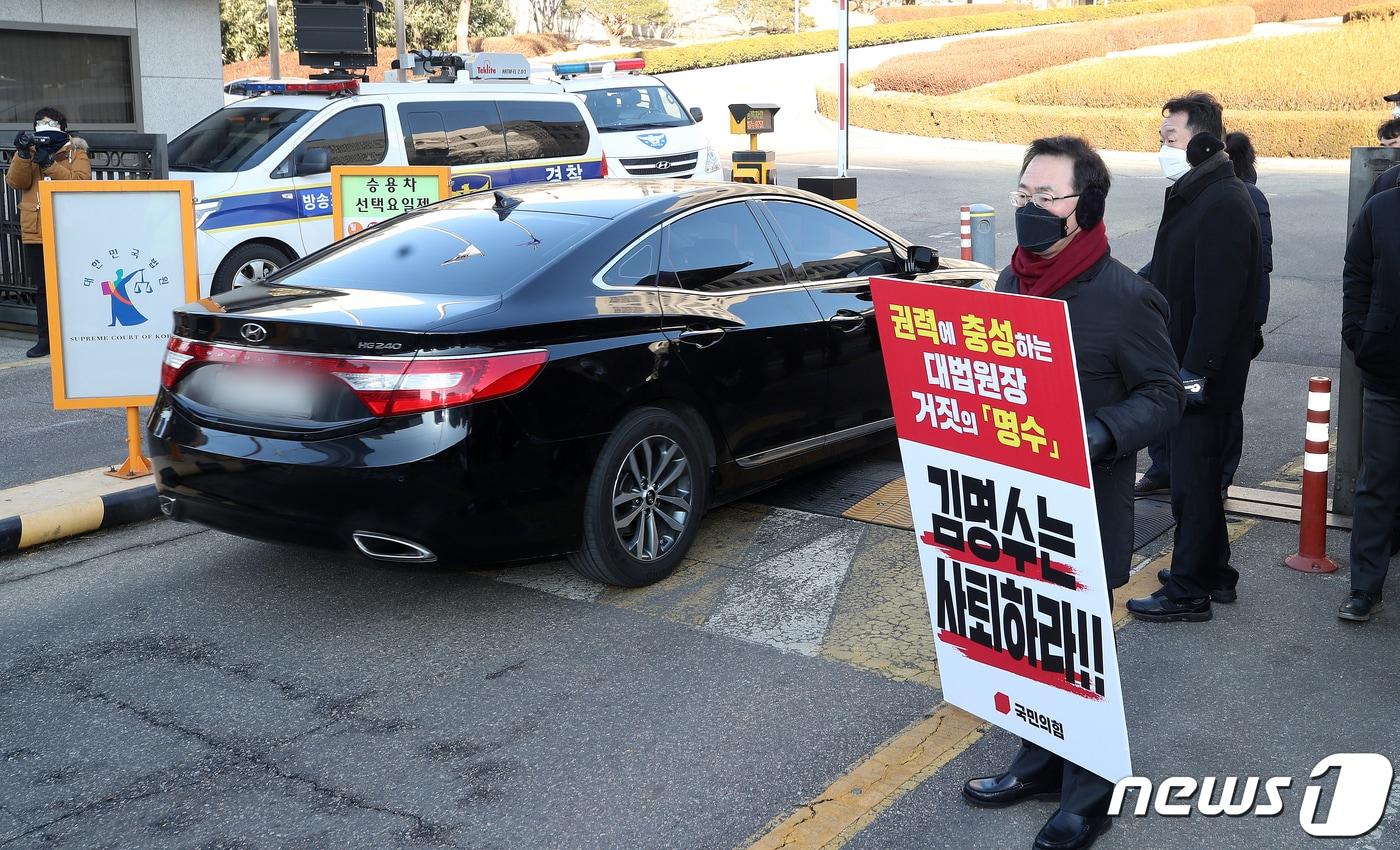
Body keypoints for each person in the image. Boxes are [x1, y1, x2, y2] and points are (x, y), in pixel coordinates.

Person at [961, 136, 1184, 850]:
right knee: (1026, 641)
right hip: (1014, 506)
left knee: (1078, 650)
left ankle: (1091, 792)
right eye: (1024, 194)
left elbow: (1164, 395)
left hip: (1086, 506)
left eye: (1046, 197)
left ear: (1085, 209)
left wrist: (1098, 433)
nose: (1030, 208)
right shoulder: (1008, 283)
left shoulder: (1126, 296)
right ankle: (1037, 763)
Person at [1127, 92, 1261, 623]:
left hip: (1201, 373)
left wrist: (1192, 375)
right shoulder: (1196, 194)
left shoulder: (1222, 202)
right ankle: (1214, 572)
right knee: (1198, 478)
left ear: (1203, 141)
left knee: (1192, 482)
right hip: (1188, 364)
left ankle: (1188, 591)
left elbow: (1220, 302)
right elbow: (1168, 274)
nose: (1162, 147)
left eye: (1171, 138)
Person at [1134, 130, 1272, 496]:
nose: (1165, 149)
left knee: (1209, 418)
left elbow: (1252, 272)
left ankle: (1217, 479)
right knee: (1172, 407)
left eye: (1173, 139)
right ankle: (1165, 468)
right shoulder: (1187, 194)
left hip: (1211, 342)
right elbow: (1166, 262)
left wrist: (1254, 324)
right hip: (1176, 334)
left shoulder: (1236, 199)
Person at [1338, 173, 1400, 621]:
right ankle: (1365, 588)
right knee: (1376, 483)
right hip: (1387, 373)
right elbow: (1356, 275)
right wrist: (1359, 335)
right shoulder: (1382, 206)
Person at [5, 107, 90, 358]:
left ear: (62, 127)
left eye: (51, 122)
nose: (45, 126)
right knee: (43, 288)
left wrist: (50, 164)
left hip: (69, 229)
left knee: (72, 285)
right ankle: (46, 338)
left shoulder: (76, 151)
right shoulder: (28, 151)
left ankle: (77, 334)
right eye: (40, 123)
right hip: (37, 229)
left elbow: (81, 184)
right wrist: (23, 154)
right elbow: (15, 182)